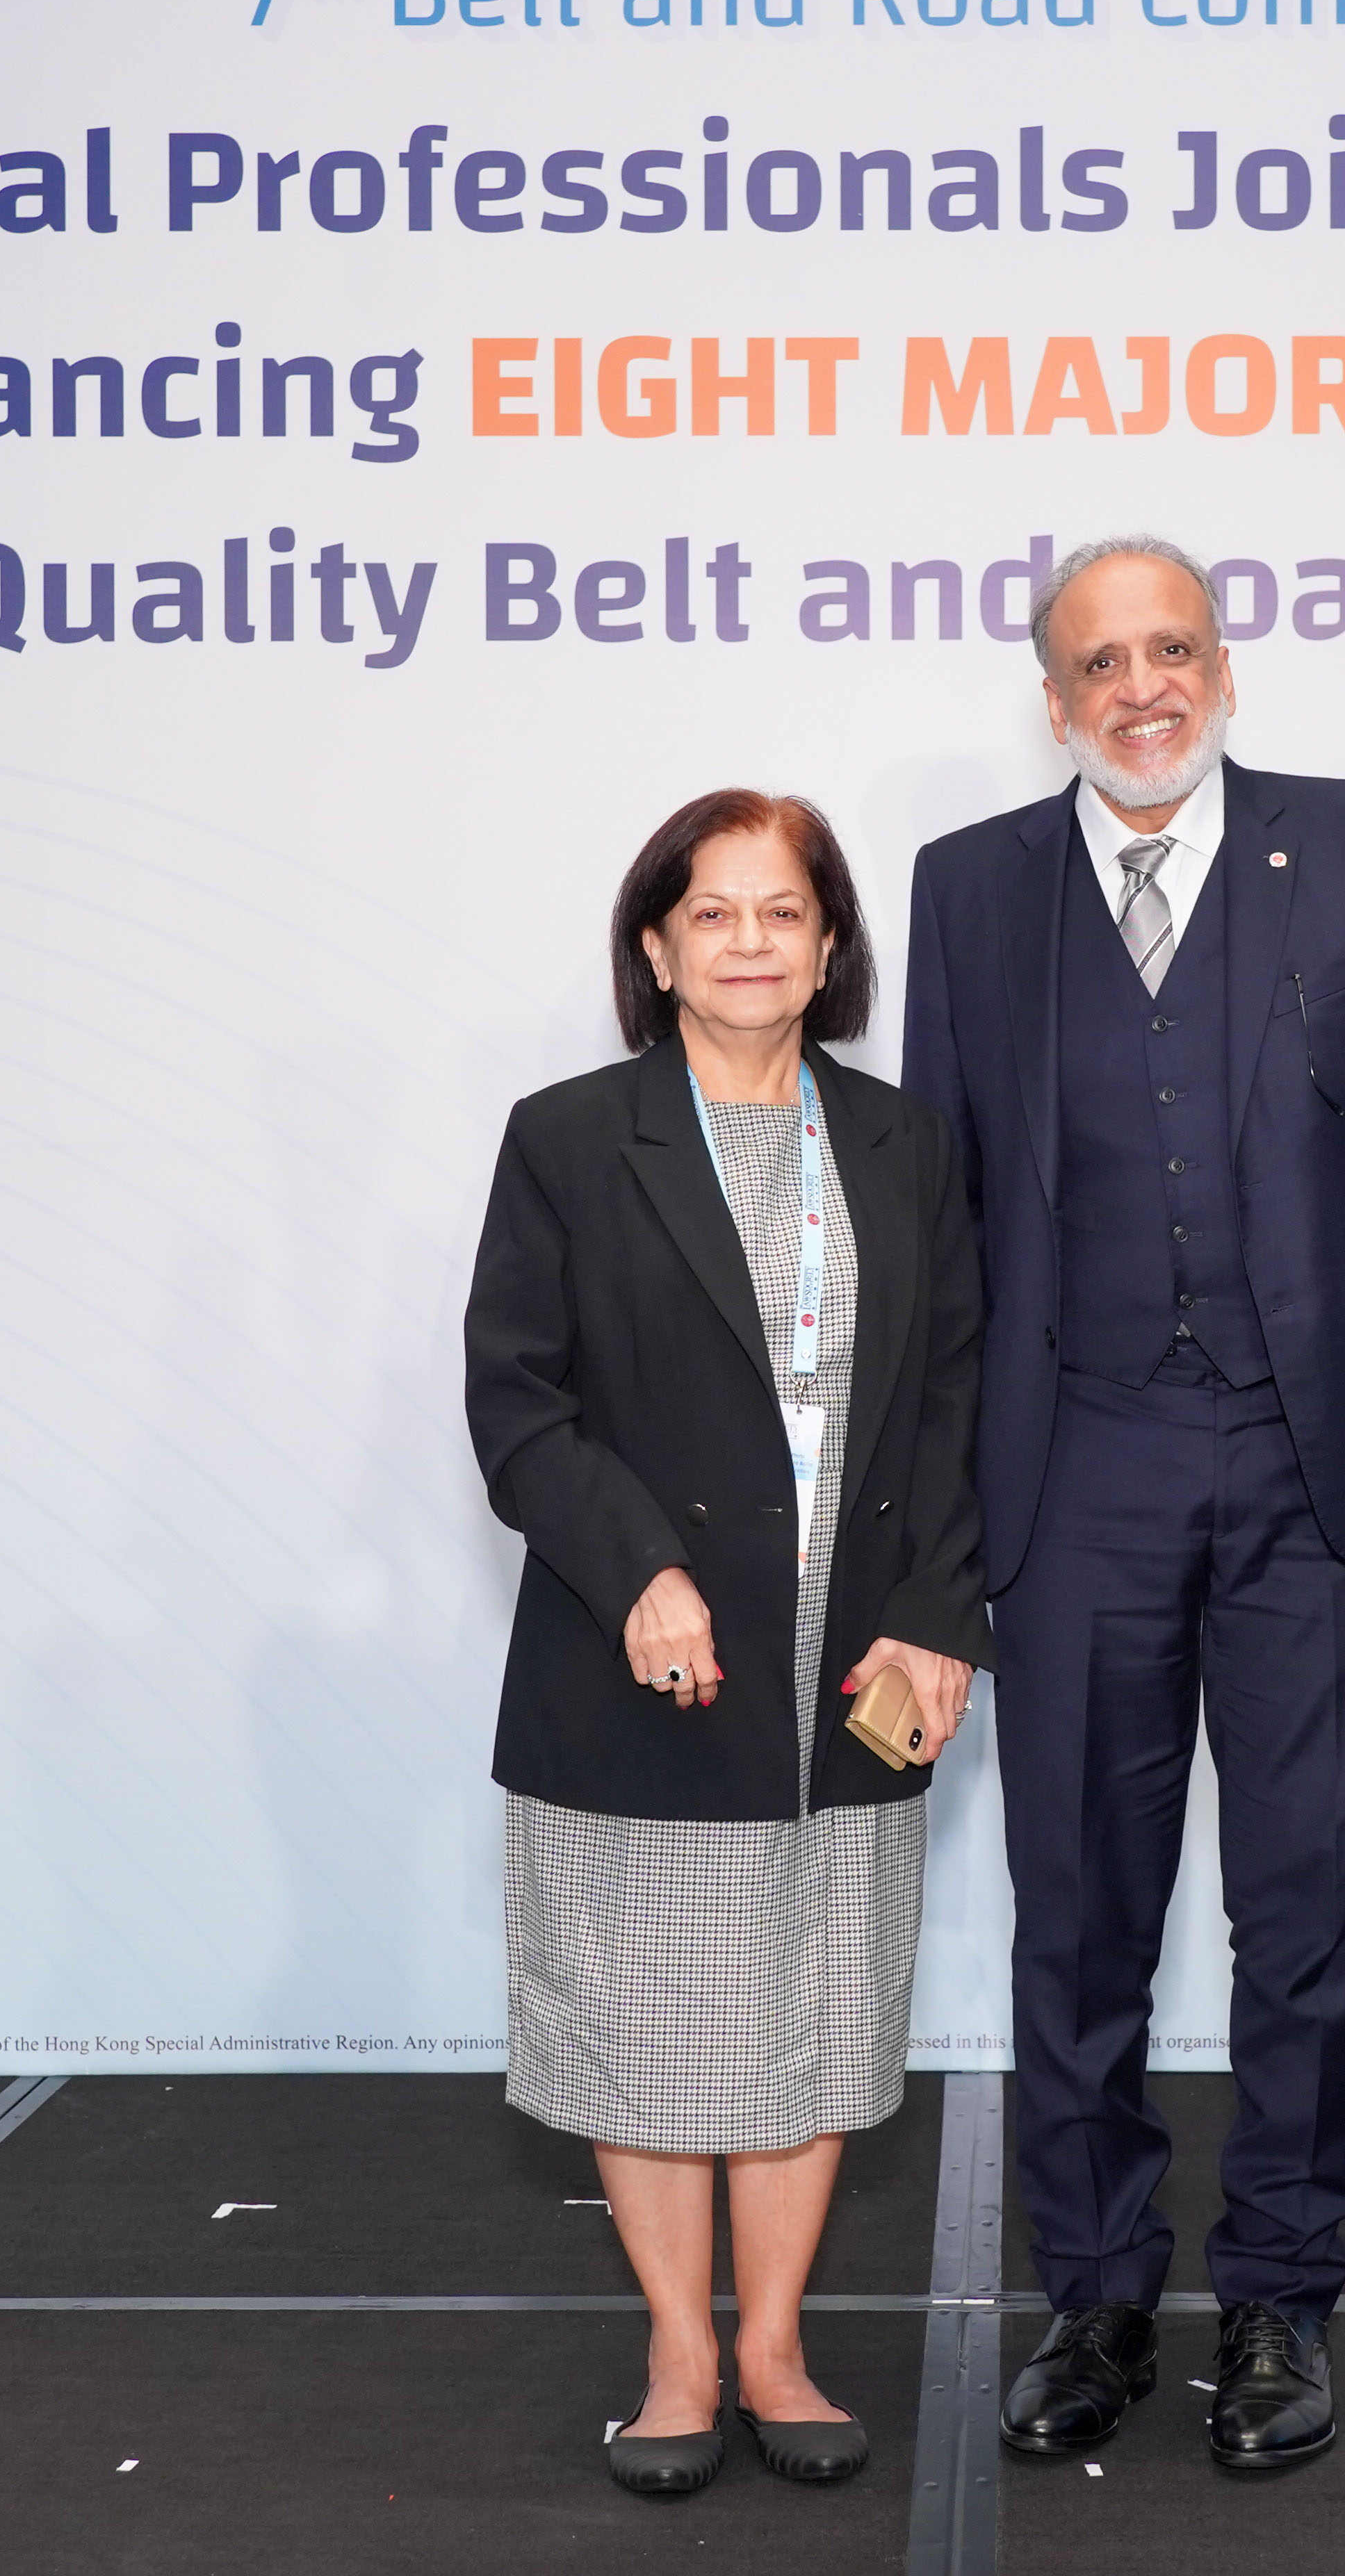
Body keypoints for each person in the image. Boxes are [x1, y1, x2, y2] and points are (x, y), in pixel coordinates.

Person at [902, 535, 1345, 2472]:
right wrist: (931, 1524)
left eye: (1172, 647)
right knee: (1078, 1914)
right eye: (1102, 661)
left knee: (1312, 1907)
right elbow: (945, 1218)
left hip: (1319, 1467)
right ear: (1054, 697)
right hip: (1072, 1468)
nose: (1143, 686)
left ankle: (1278, 2295)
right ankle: (1093, 2291)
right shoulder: (969, 888)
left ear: (1226, 666)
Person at [464, 789, 989, 2496]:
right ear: (657, 944)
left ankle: (773, 2343)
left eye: (783, 912)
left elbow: (961, 1398)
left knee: (814, 2010)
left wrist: (939, 1614)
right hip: (647, 1645)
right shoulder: (568, 1136)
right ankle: (679, 2353)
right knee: (650, 2015)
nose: (749, 940)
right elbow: (517, 1403)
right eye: (714, 912)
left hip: (856, 1652)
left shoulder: (906, 1143)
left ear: (829, 948)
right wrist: (638, 1571)